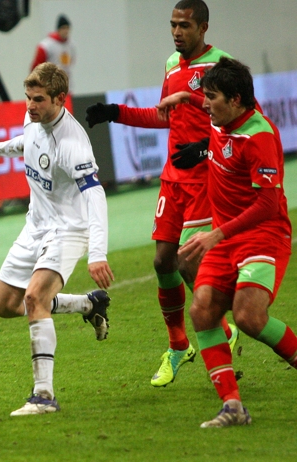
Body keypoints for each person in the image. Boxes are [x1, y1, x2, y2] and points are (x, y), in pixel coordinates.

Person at [84, 0, 238, 387]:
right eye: (172, 25)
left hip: (206, 177)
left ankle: (220, 327)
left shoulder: (223, 67)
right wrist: (115, 112)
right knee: (162, 261)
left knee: (188, 261)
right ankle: (178, 345)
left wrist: (205, 148)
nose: (176, 32)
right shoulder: (172, 65)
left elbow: (241, 123)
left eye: (184, 25)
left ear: (203, 27)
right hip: (173, 178)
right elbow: (164, 116)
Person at [0, 63, 115, 416]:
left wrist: (98, 252)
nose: (31, 106)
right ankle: (87, 305)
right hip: (36, 225)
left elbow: (95, 195)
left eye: (39, 100)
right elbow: (26, 143)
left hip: (69, 229)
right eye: (29, 98)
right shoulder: (32, 119)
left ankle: (44, 395)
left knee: (34, 298)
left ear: (60, 100)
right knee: (2, 305)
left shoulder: (73, 143)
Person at [169, 57, 297, 427]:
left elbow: (268, 204)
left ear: (237, 101)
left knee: (249, 317)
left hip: (263, 234)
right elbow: (209, 105)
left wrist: (218, 232)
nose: (205, 104)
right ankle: (233, 407)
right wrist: (183, 97)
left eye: (211, 97)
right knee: (203, 310)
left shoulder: (258, 137)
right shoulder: (222, 117)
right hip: (225, 236)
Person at [30, 14, 76, 86]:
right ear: (58, 29)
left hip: (66, 85)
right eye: (63, 28)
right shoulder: (46, 45)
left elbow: (72, 61)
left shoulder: (70, 45)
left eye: (67, 28)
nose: (66, 31)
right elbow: (36, 67)